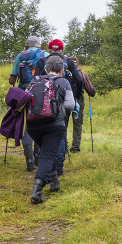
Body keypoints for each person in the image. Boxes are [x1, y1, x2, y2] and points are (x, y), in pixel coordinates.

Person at [27, 55, 75, 204]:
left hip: (33, 125)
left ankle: (54, 183)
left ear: (46, 68)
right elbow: (70, 105)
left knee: (48, 150)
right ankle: (37, 190)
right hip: (54, 125)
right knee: (47, 155)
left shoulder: (35, 81)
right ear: (62, 69)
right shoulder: (64, 81)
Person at [38, 40, 83, 179]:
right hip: (63, 102)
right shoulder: (68, 61)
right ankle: (59, 166)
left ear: (49, 49)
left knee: (44, 131)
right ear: (62, 50)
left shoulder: (42, 61)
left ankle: (43, 161)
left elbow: (36, 80)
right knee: (60, 130)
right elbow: (79, 79)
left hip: (44, 102)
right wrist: (77, 95)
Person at [9, 35, 48, 172]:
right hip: (42, 94)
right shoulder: (45, 55)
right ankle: (38, 158)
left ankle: (29, 162)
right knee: (39, 124)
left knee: (26, 127)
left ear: (26, 45)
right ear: (39, 45)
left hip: (24, 95)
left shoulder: (20, 56)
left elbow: (11, 80)